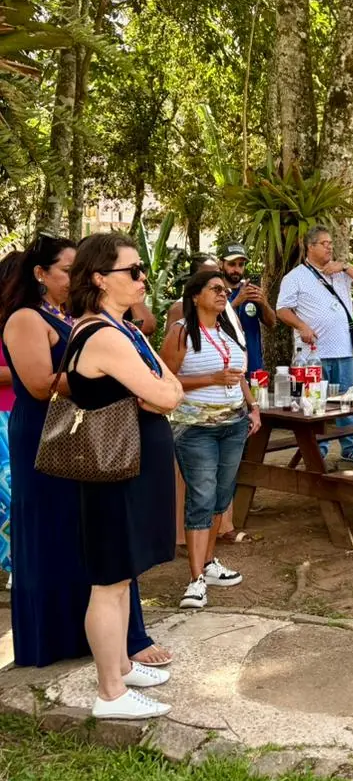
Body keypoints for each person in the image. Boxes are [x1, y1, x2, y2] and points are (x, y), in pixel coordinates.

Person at [0, 236, 169, 667]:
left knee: (98, 535)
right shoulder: (26, 318)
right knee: (55, 531)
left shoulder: (78, 318)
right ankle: (57, 638)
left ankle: (117, 640)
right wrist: (112, 376)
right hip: (49, 434)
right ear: (40, 274)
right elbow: (40, 385)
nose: (74, 278)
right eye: (66, 270)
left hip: (95, 430)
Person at [66, 234, 184, 719]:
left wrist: (160, 388)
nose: (142, 278)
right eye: (132, 271)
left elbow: (169, 386)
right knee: (110, 580)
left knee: (120, 576)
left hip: (128, 467)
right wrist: (159, 389)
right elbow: (168, 395)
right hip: (113, 471)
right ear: (99, 278)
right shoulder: (106, 335)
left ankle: (120, 666)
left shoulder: (124, 329)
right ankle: (110, 692)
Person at [160, 268, 260, 610]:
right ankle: (195, 580)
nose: (222, 293)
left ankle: (208, 563)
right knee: (201, 497)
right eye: (214, 288)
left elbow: (239, 375)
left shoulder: (228, 328)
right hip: (196, 428)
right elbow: (166, 379)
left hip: (234, 424)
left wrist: (253, 407)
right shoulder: (181, 331)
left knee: (221, 495)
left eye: (224, 290)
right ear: (195, 295)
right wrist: (211, 379)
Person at [276, 226, 353, 469]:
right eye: (324, 243)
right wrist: (301, 326)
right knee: (315, 403)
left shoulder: (341, 272)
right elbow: (282, 310)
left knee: (347, 402)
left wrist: (345, 267)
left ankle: (349, 449)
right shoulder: (295, 277)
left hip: (344, 351)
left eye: (331, 243)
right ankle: (317, 450)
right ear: (310, 247)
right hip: (312, 355)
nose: (330, 247)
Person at [0, 250, 24, 584]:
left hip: (28, 414)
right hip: (4, 417)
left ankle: (17, 561)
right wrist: (28, 371)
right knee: (9, 493)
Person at [220, 243, 276, 376]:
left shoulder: (250, 290)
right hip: (227, 368)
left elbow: (272, 323)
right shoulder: (217, 290)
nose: (237, 269)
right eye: (232, 264)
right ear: (221, 264)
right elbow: (214, 320)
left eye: (241, 265)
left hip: (254, 366)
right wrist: (237, 301)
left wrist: (263, 303)